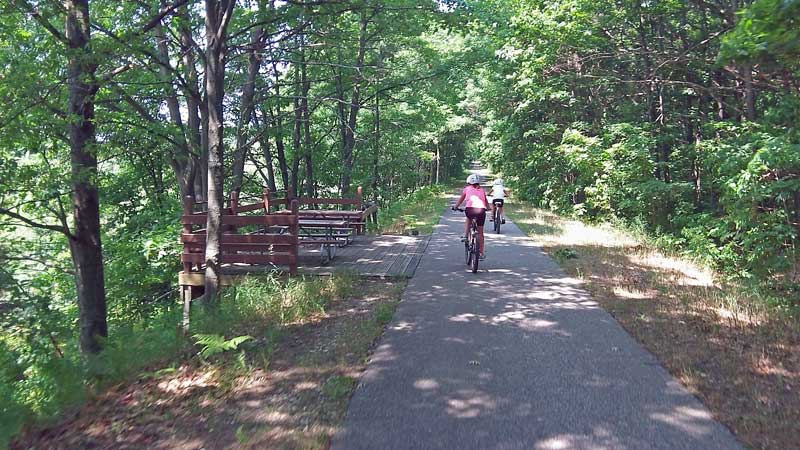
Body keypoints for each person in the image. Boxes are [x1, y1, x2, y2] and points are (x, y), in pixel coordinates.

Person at [453, 173, 488, 259]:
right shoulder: (482, 190)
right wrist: (489, 208)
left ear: (469, 182)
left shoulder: (466, 189)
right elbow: (486, 202)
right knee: (481, 233)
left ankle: (465, 235)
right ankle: (481, 252)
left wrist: (455, 207)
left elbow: (461, 200)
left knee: (468, 217)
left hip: (470, 209)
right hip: (481, 211)